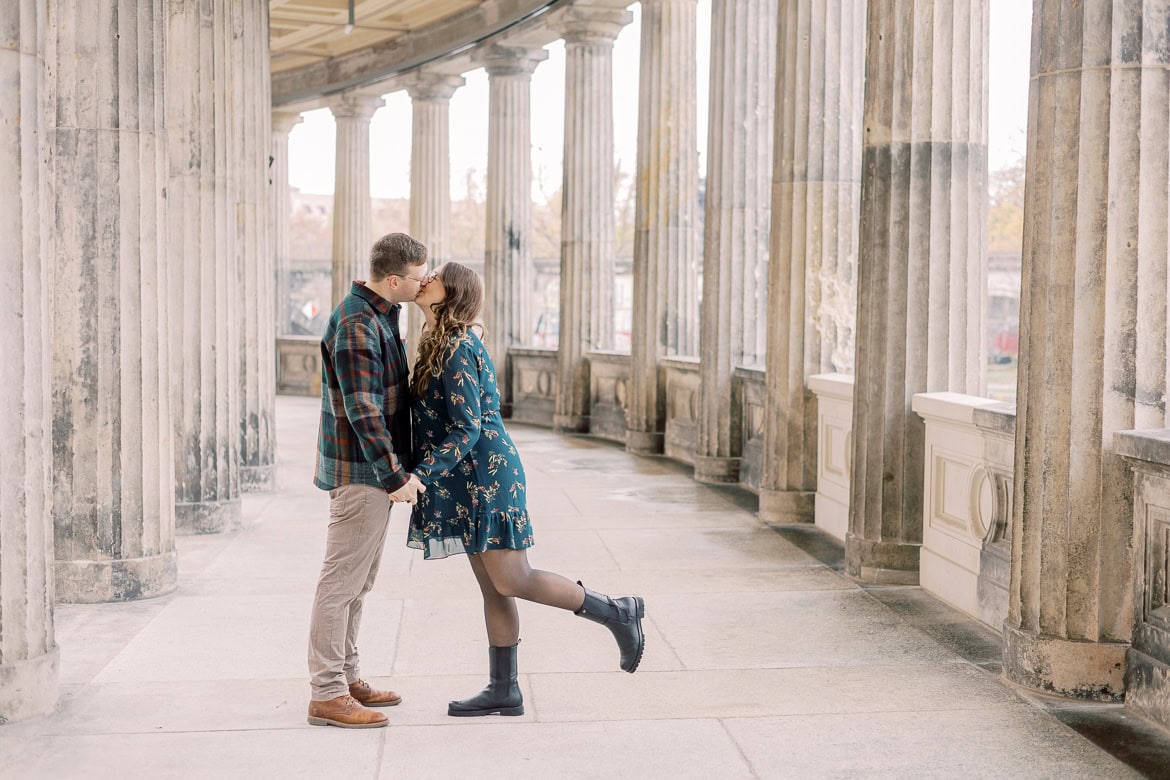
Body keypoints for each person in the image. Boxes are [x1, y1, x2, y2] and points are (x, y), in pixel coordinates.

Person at [405, 261, 645, 718]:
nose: (426, 278)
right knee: (495, 588)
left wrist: (421, 475)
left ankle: (618, 611)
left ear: (450, 292)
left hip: (485, 474)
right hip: (466, 476)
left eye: (434, 274)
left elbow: (467, 429)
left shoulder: (455, 347)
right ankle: (504, 689)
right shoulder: (438, 343)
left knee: (514, 577)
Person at [306, 233, 430, 729]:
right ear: (395, 279)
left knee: (359, 583)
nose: (425, 285)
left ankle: (347, 677)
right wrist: (394, 474)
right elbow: (363, 409)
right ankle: (327, 692)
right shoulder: (359, 322)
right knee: (340, 584)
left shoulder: (380, 313)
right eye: (420, 278)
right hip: (362, 472)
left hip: (368, 470)